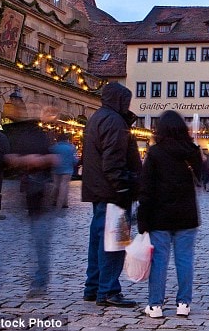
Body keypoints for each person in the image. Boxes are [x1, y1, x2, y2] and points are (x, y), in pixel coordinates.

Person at [82, 82, 142, 307]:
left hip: (100, 190)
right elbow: (113, 161)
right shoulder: (115, 122)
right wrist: (123, 187)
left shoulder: (98, 117)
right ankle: (108, 291)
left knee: (98, 240)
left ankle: (94, 287)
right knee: (114, 242)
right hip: (113, 193)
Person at [137, 111, 202, 318]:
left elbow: (145, 189)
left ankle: (155, 305)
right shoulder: (192, 151)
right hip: (186, 214)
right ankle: (183, 303)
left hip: (159, 215)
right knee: (185, 260)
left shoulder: (155, 153)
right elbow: (202, 176)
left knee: (159, 261)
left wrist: (142, 219)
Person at [5, 100, 58, 298]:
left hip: (39, 195)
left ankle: (39, 281)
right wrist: (23, 160)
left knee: (39, 241)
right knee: (21, 243)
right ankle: (35, 280)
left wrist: (39, 160)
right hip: (20, 195)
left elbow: (53, 160)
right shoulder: (13, 134)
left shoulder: (40, 135)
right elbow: (2, 160)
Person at [51, 133, 78, 209]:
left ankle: (54, 200)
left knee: (56, 185)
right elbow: (75, 160)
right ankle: (63, 203)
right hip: (68, 170)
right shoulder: (72, 147)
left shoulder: (54, 148)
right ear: (67, 139)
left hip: (56, 169)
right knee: (64, 186)